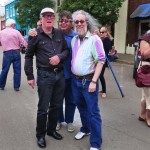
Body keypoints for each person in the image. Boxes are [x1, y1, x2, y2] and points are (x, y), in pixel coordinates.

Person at [24, 8, 69, 148]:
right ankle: (40, 135)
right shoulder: (34, 35)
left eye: (51, 16)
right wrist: (30, 76)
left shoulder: (59, 33)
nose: (48, 18)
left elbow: (66, 50)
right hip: (45, 75)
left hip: (59, 74)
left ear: (53, 18)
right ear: (41, 18)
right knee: (43, 108)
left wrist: (59, 57)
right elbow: (28, 56)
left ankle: (50, 131)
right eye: (45, 16)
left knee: (56, 106)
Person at [71, 10, 105, 150]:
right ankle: (86, 129)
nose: (79, 24)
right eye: (76, 22)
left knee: (93, 112)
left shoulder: (94, 39)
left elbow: (101, 61)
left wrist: (94, 81)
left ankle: (96, 143)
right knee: (81, 107)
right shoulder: (74, 39)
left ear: (87, 23)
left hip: (89, 81)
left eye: (82, 21)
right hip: (75, 80)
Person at [56, 11, 76, 132]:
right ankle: (58, 120)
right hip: (57, 74)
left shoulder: (76, 37)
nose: (63, 23)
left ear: (71, 23)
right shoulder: (55, 35)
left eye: (66, 21)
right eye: (61, 20)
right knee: (57, 100)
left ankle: (69, 121)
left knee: (71, 100)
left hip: (72, 75)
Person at [0, 18, 27, 91]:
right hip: (16, 52)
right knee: (17, 70)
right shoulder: (16, 32)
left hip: (6, 53)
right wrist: (28, 48)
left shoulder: (1, 33)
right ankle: (16, 86)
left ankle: (1, 85)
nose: (15, 26)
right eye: (14, 24)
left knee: (4, 70)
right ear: (12, 24)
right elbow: (23, 42)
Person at [138, 33, 150, 127]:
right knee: (149, 94)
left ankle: (142, 115)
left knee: (146, 94)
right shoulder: (146, 38)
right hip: (148, 67)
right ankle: (148, 117)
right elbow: (144, 55)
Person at [98, 26, 113, 98]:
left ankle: (104, 92)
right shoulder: (102, 40)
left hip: (103, 61)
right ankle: (103, 90)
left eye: (102, 32)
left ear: (106, 33)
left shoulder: (106, 40)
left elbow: (109, 49)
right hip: (101, 60)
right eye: (100, 32)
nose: (101, 33)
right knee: (99, 75)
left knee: (100, 75)